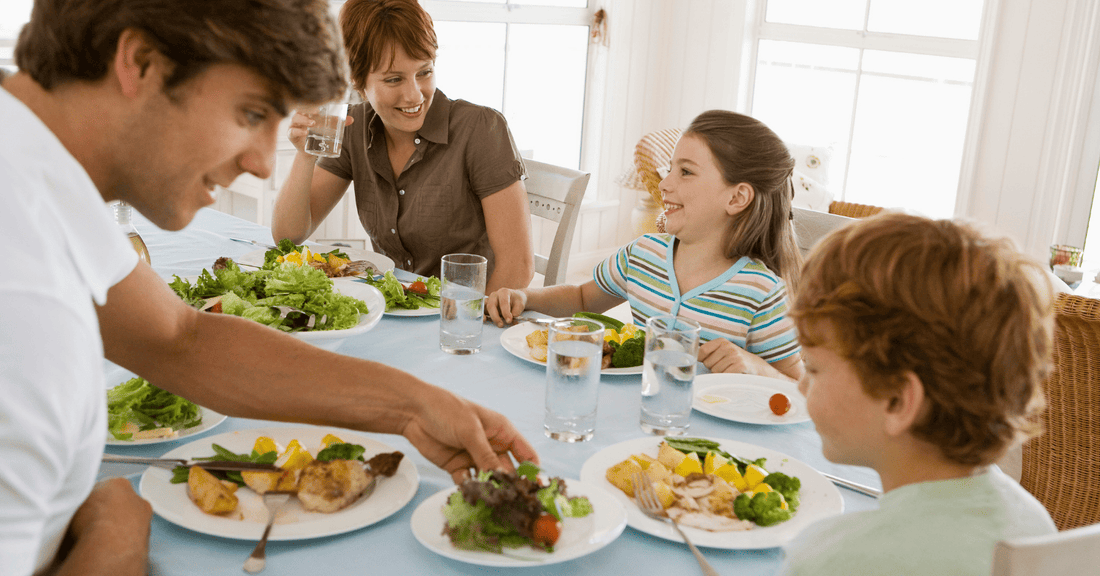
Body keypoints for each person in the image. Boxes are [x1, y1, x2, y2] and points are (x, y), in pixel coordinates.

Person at [0, 1, 537, 575]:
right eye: (251, 112)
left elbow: (181, 338)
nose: (261, 164)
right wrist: (115, 531)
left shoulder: (39, 177)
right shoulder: (27, 290)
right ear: (140, 63)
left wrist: (414, 407)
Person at [779, 213, 1057, 576]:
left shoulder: (836, 558)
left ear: (898, 401)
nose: (801, 385)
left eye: (814, 369)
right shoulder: (1034, 526)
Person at [486, 110, 804, 380]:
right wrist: (525, 297)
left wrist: (758, 368)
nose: (665, 183)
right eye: (670, 169)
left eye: (686, 172)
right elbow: (581, 298)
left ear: (736, 197)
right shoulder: (643, 254)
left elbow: (798, 387)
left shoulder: (761, 291)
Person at [271, 0, 534, 292]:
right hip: (393, 310)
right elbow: (288, 236)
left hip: (465, 319)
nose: (414, 96)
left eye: (424, 72)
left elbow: (518, 267)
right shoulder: (352, 126)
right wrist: (305, 156)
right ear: (357, 82)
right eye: (394, 79)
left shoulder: (481, 128)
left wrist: (462, 327)